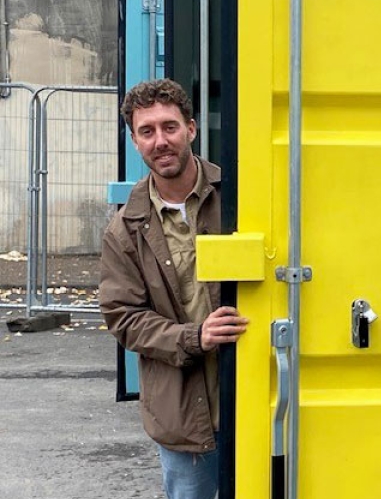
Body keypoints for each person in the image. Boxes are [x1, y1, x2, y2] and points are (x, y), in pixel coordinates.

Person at [99, 78, 249, 499]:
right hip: (184, 417)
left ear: (192, 129)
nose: (160, 141)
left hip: (254, 398)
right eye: (147, 131)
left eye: (169, 127)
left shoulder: (241, 197)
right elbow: (123, 318)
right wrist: (193, 337)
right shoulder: (125, 228)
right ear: (134, 140)